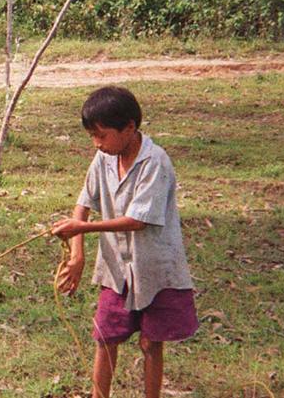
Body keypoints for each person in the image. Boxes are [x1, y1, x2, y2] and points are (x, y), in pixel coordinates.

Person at [51, 86, 198, 398]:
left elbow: (138, 220)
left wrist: (81, 229)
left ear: (129, 128)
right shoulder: (103, 158)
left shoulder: (155, 162)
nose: (97, 143)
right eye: (93, 135)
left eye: (102, 135)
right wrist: (77, 255)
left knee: (150, 342)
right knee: (106, 337)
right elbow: (83, 203)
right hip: (116, 267)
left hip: (154, 266)